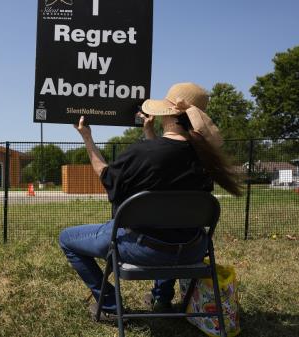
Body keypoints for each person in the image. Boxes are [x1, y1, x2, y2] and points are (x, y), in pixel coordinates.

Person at [58, 82, 242, 321]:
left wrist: (87, 138)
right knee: (171, 224)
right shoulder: (205, 158)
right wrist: (150, 134)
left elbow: (106, 176)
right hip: (192, 250)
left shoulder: (142, 152)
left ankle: (112, 306)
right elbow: (167, 165)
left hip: (144, 250)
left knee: (67, 239)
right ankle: (161, 298)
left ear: (170, 115)